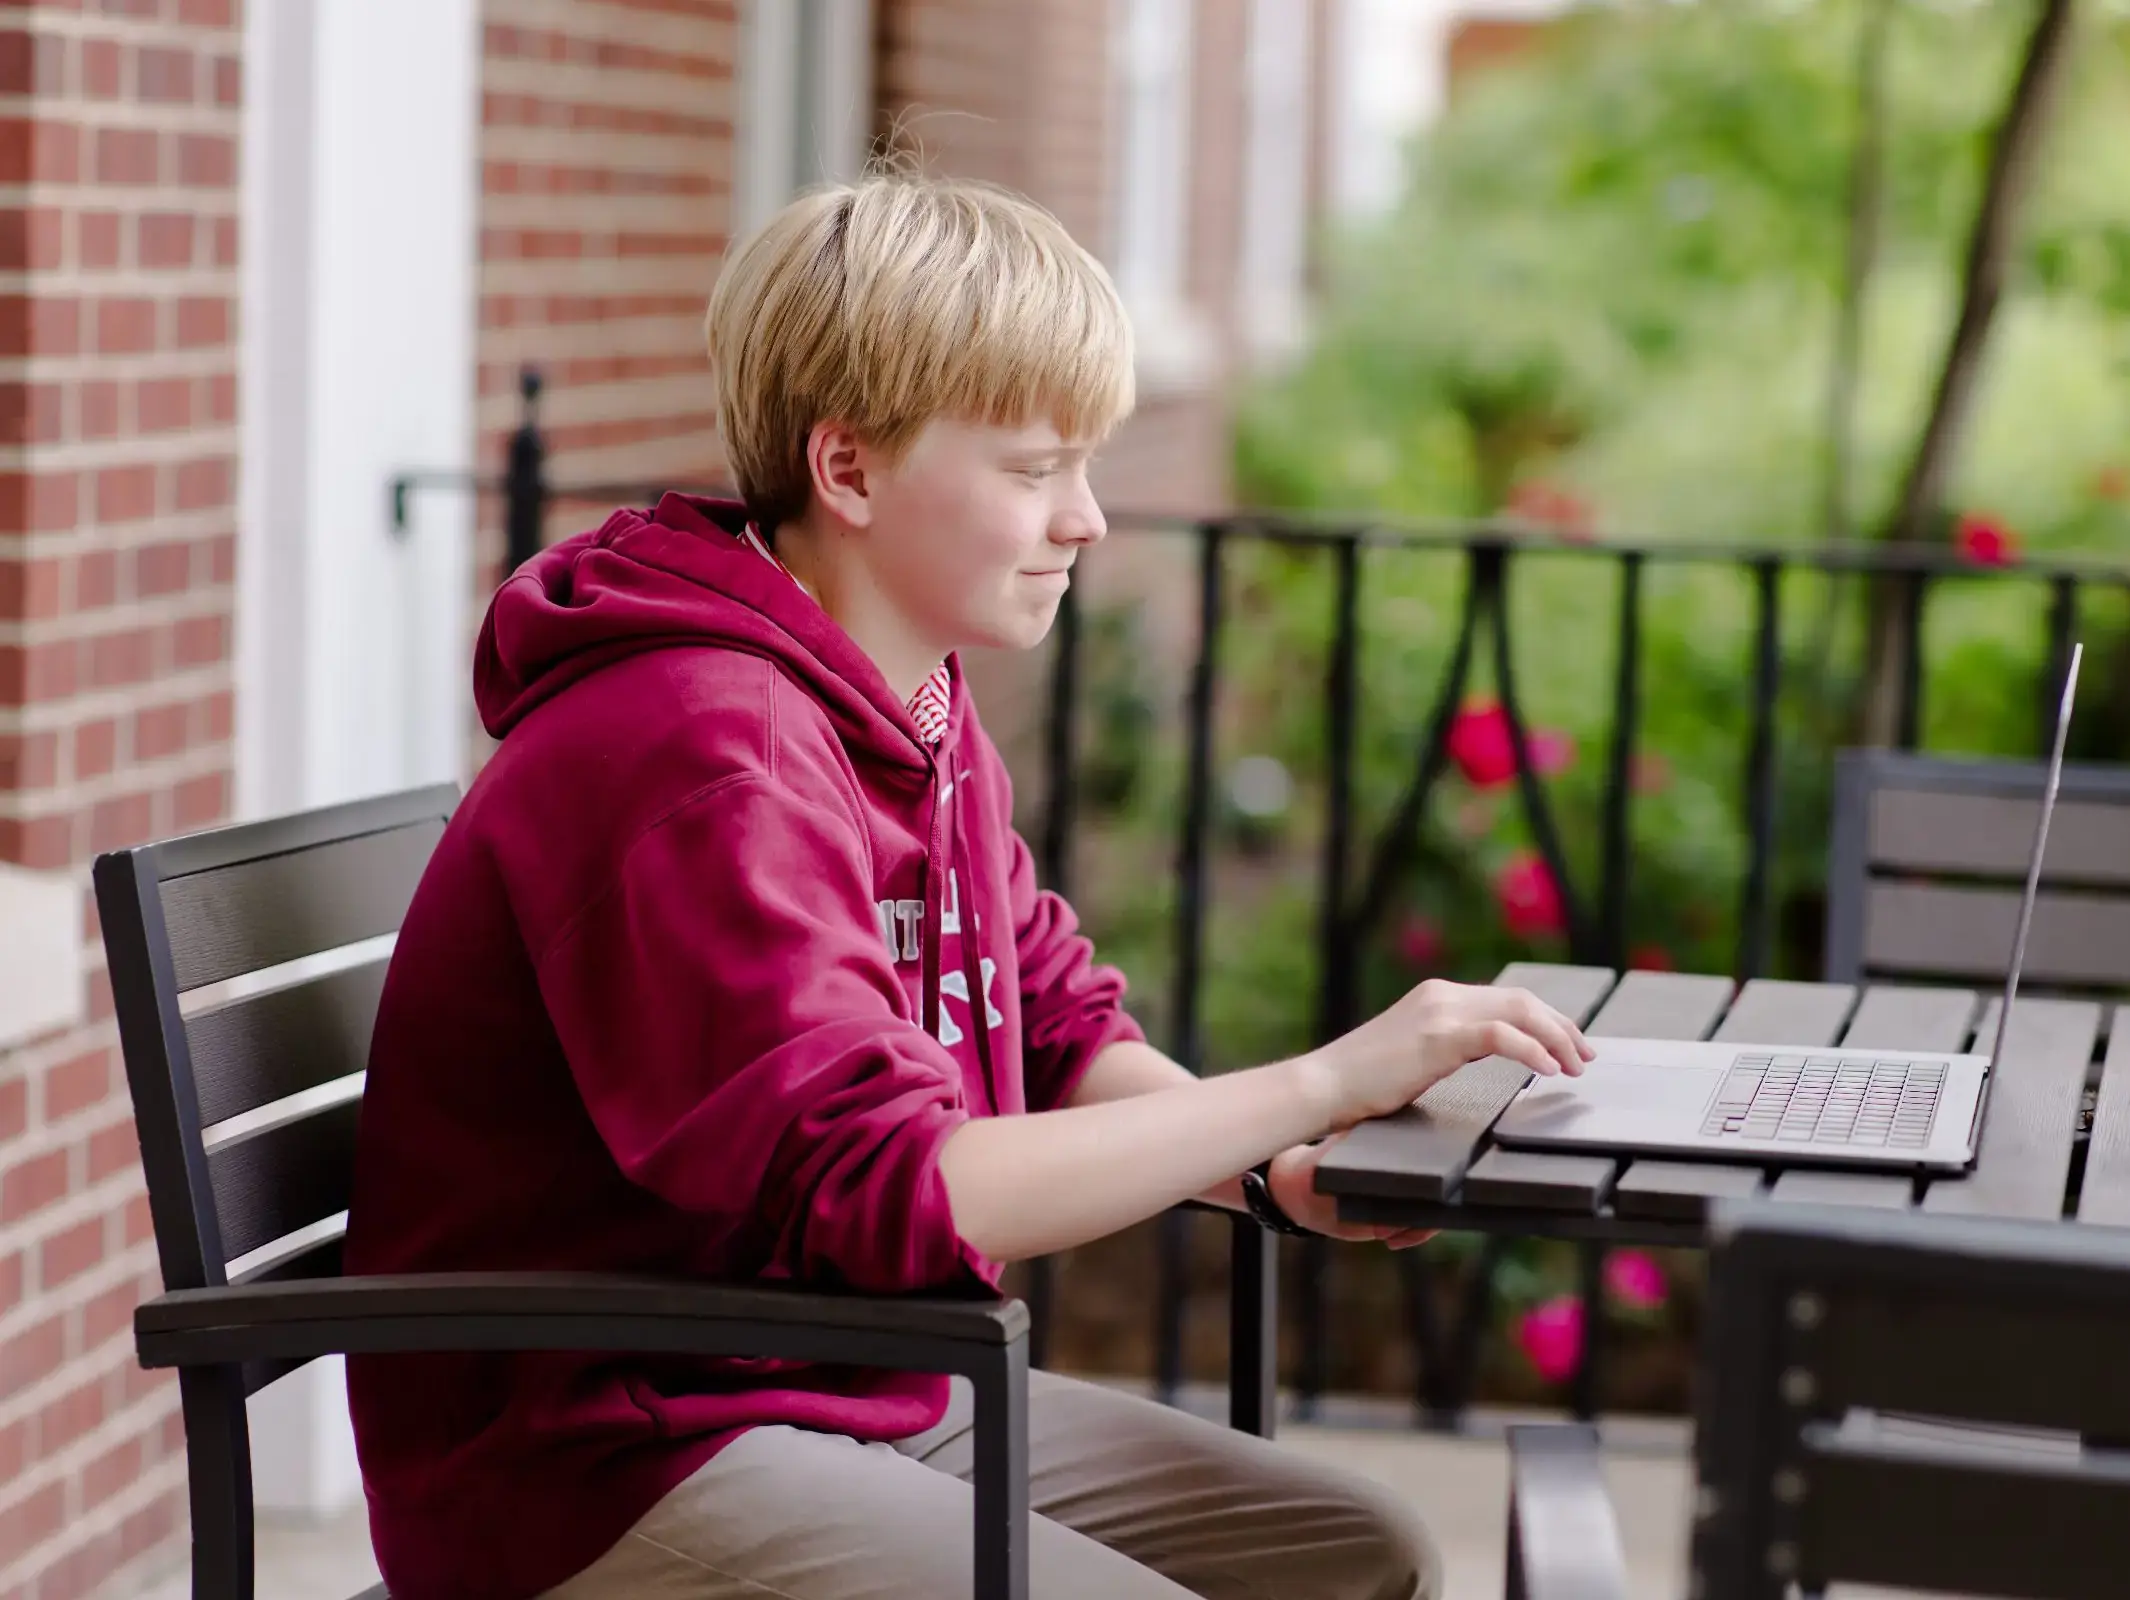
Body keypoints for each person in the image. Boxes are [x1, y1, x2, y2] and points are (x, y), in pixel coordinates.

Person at [341, 170, 1593, 1600]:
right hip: (605, 1455)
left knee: (1358, 1558)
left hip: (835, 1382)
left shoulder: (914, 709)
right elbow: (897, 1187)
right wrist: (1312, 1084)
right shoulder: (706, 754)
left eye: (1089, 464)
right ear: (850, 468)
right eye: (1030, 468)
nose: (1088, 520)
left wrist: (1271, 1169)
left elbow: (1056, 1030)